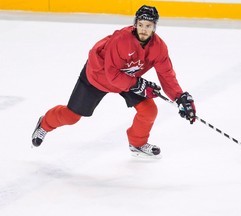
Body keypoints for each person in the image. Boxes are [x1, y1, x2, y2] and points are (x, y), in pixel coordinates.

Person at [31, 5, 196, 158]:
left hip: (127, 79)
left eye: (148, 26)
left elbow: (166, 74)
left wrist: (180, 97)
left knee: (149, 110)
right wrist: (139, 85)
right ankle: (44, 123)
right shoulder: (121, 41)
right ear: (135, 24)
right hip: (98, 76)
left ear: (154, 27)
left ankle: (137, 144)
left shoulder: (158, 47)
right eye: (141, 24)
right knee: (71, 116)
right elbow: (112, 75)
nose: (144, 30)